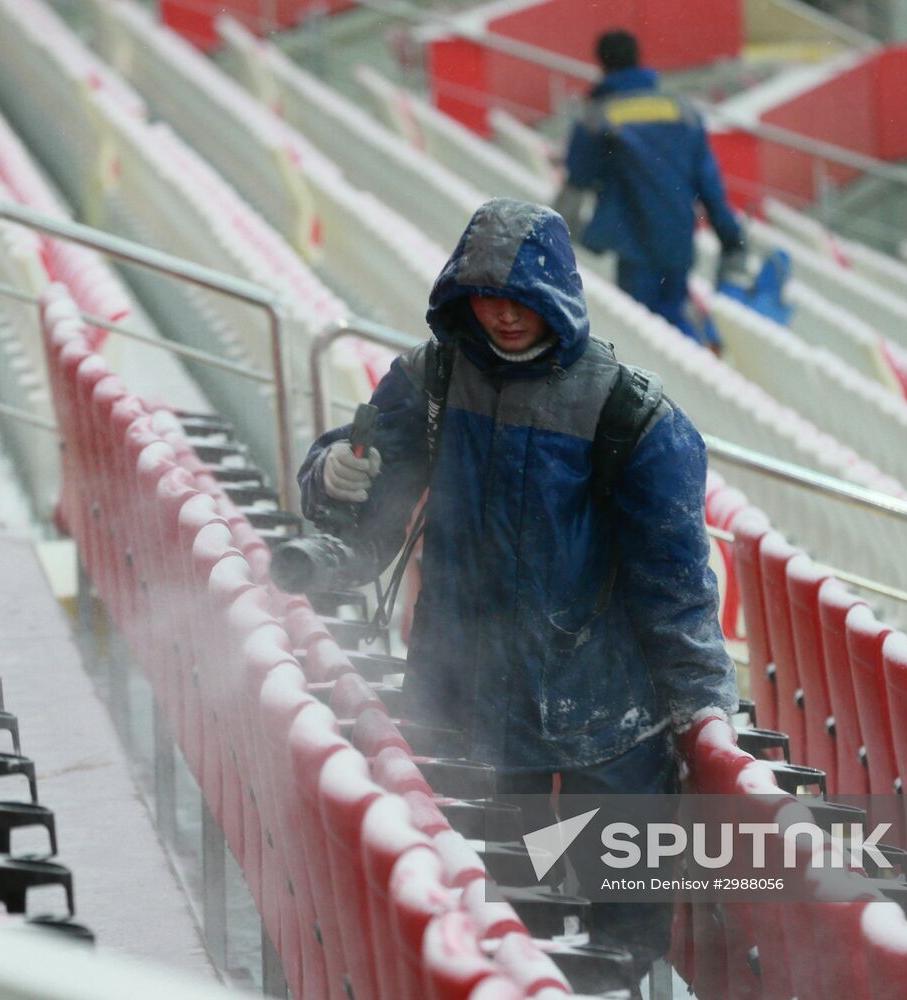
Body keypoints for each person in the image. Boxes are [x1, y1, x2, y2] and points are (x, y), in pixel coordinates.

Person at [298, 198, 737, 986]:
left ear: (556, 296)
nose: (501, 314)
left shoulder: (631, 417)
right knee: (493, 933)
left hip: (605, 718)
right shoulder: (430, 378)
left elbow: (674, 585)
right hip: (463, 704)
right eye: (485, 296)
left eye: (520, 297)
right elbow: (362, 511)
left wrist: (701, 703)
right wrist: (332, 473)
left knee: (618, 950)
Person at [556, 29, 747, 347]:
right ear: (638, 59)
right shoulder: (682, 110)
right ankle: (699, 358)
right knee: (672, 316)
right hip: (679, 240)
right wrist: (731, 239)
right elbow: (710, 185)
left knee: (645, 337)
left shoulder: (597, 117)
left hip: (633, 245)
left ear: (602, 65)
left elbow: (577, 183)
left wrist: (558, 237)